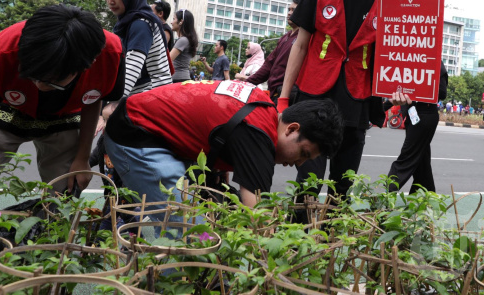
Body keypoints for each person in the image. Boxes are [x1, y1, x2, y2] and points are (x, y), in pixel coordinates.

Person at [103, 80, 344, 217]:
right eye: (303, 153)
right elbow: (257, 217)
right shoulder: (259, 134)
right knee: (186, 226)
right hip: (134, 134)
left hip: (144, 126)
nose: (299, 164)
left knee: (201, 209)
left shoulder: (262, 105)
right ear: (291, 129)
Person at [0, 5, 124, 193]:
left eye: (51, 81)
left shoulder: (110, 56)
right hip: (4, 113)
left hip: (63, 119)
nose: (39, 85)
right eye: (31, 76)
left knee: (65, 193)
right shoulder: (0, 52)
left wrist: (82, 157)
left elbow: (93, 100)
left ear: (88, 65)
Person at [278, 0, 389, 196]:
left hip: (356, 98)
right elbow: (300, 46)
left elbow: (389, 57)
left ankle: (334, 225)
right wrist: (283, 98)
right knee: (308, 183)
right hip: (314, 94)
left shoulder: (387, 2)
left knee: (343, 185)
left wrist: (396, 90)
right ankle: (301, 222)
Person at [101, 0, 172, 99]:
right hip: (140, 94)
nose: (110, 1)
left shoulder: (141, 24)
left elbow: (131, 68)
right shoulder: (126, 23)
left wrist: (111, 99)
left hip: (153, 95)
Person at [387, 61, 448, 193]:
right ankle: (424, 196)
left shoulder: (435, 62)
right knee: (422, 162)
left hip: (424, 115)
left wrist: (418, 88)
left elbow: (442, 93)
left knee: (407, 158)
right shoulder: (410, 61)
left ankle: (387, 195)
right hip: (413, 113)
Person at [246, 0, 301, 103]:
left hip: (289, 95)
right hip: (274, 92)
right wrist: (247, 83)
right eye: (289, 10)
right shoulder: (285, 37)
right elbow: (268, 64)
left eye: (293, 10)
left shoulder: (305, 39)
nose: (289, 13)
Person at [170, 9, 199, 83]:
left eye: (174, 19)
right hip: (182, 79)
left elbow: (168, 60)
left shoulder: (183, 40)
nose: (171, 22)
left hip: (178, 80)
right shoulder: (186, 39)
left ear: (181, 22)